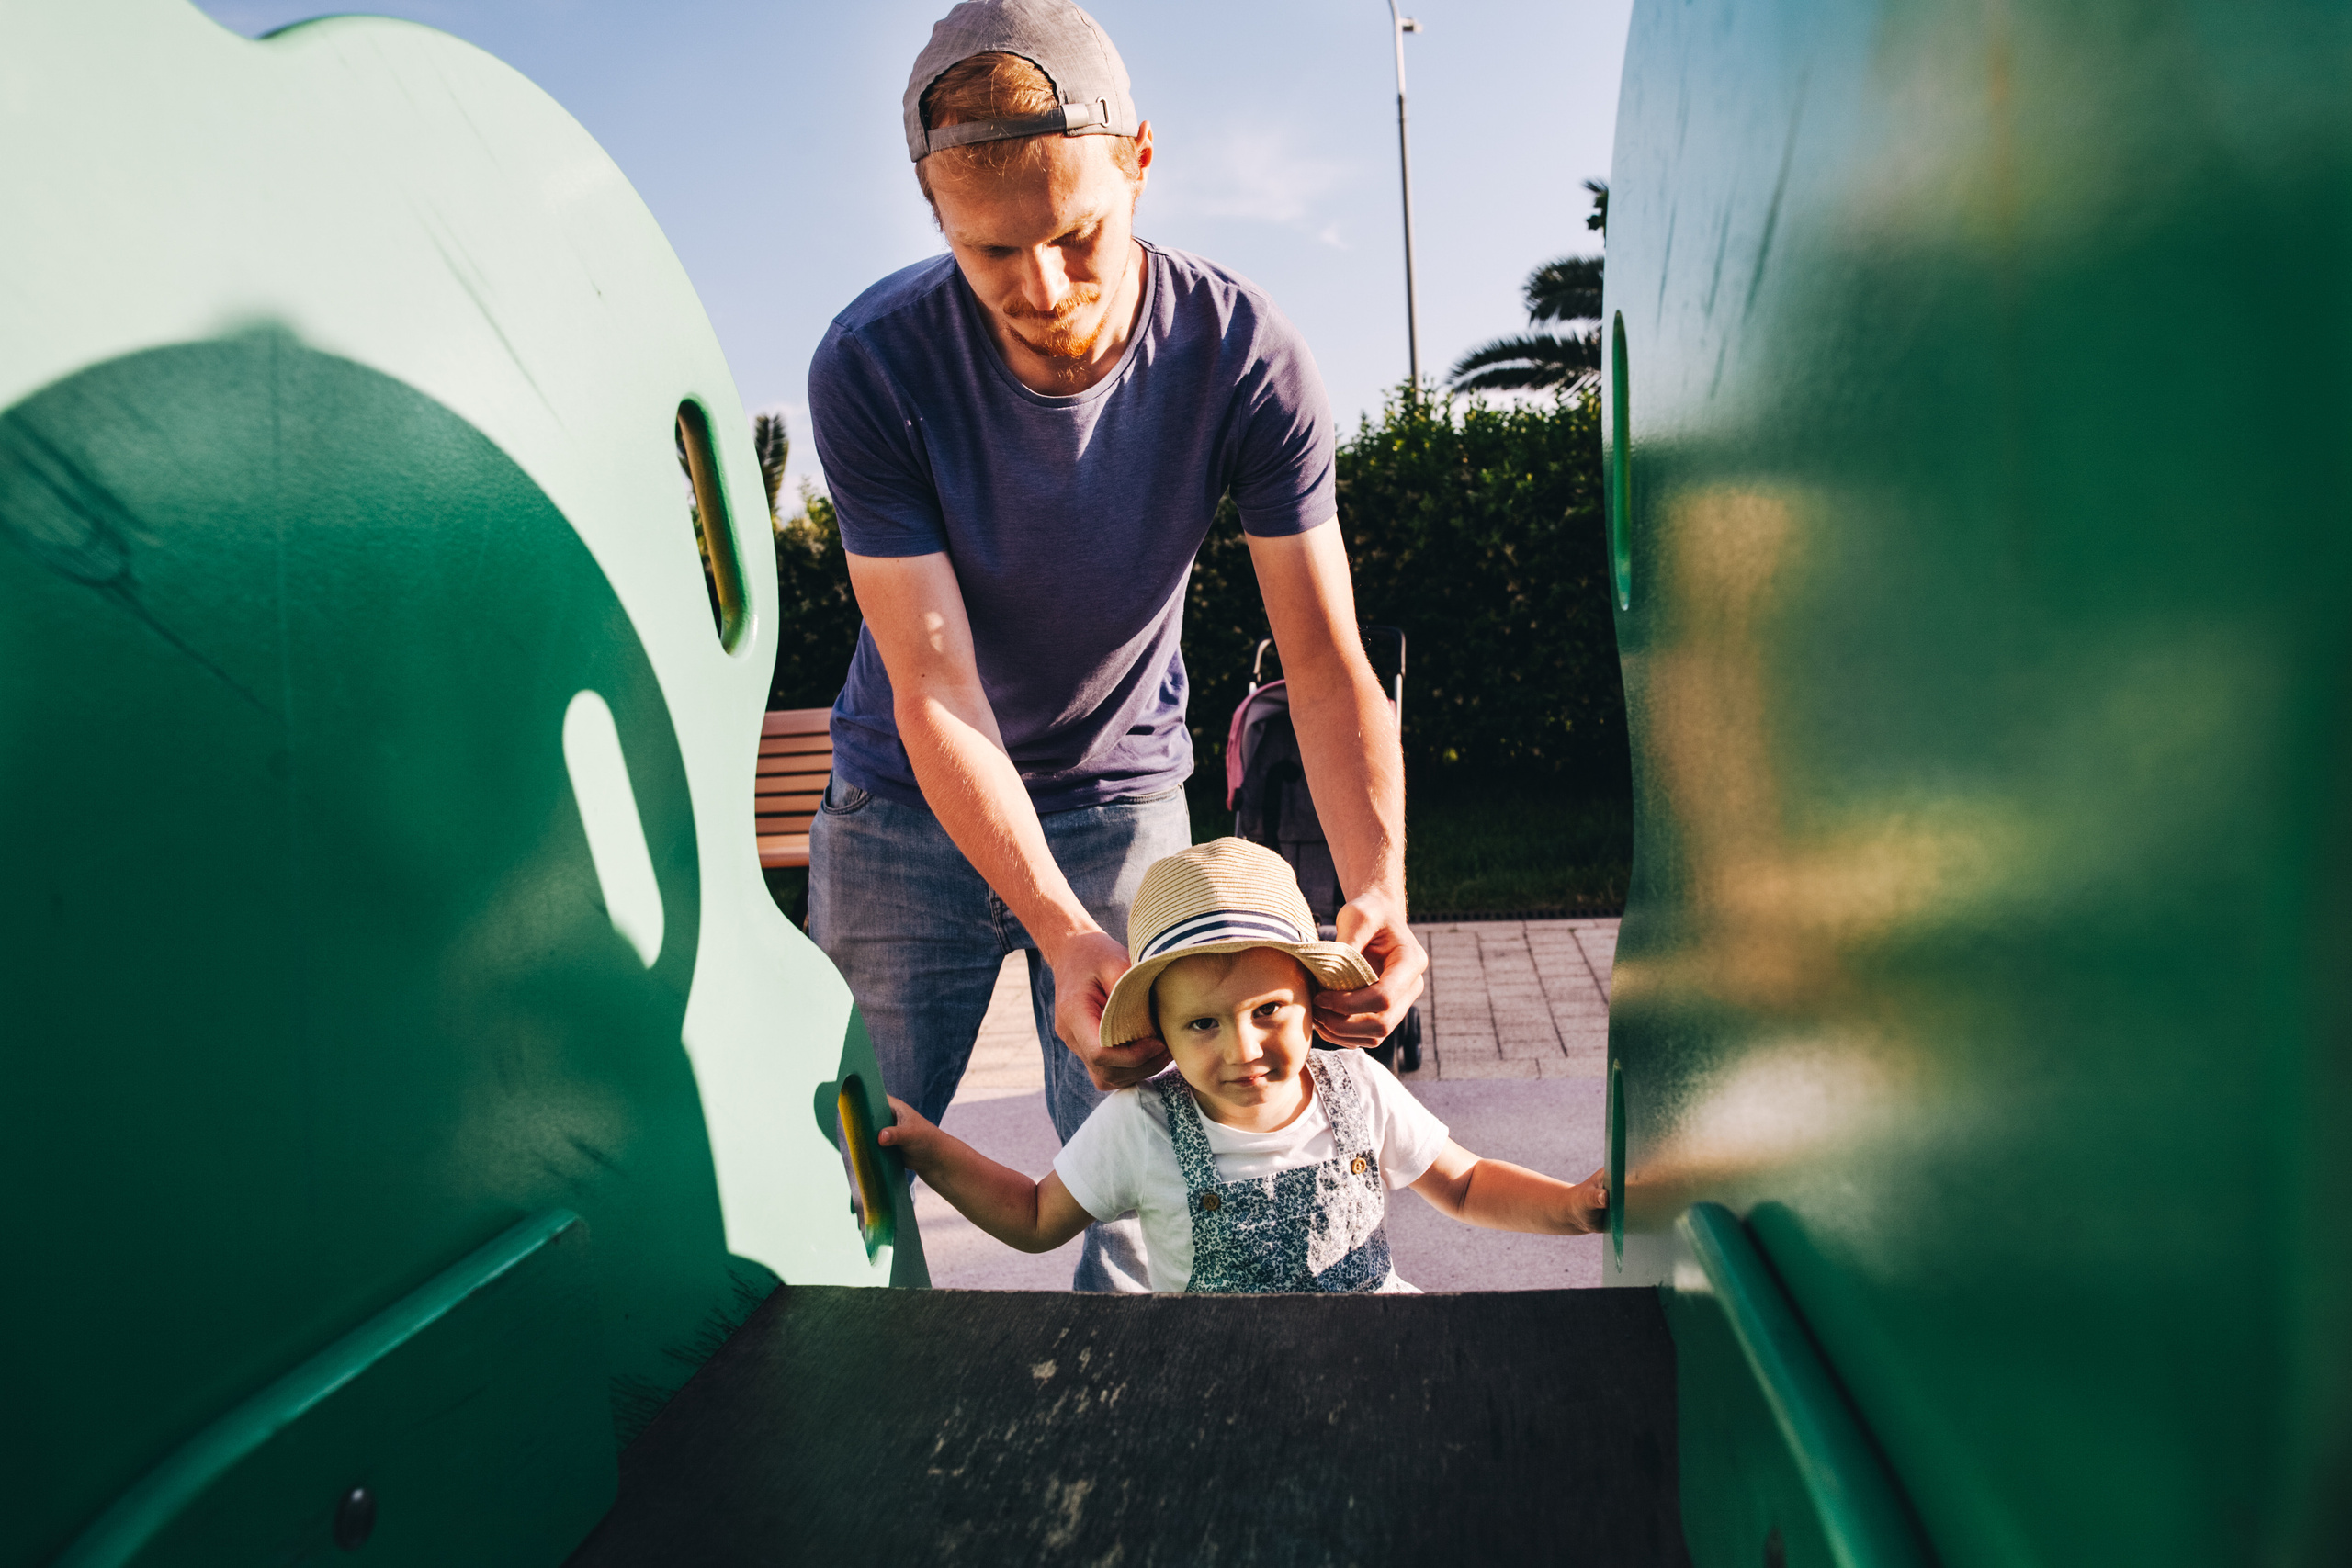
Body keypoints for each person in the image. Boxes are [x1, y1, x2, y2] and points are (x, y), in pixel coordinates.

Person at [807, 0, 1428, 1292]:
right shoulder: (872, 365)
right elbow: (935, 688)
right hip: (899, 806)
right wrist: (1055, 927)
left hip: (1123, 803)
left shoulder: (1242, 351)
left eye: (1077, 234)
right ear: (932, 211)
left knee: (1156, 1213)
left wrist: (1378, 883)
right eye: (992, 253)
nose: (1042, 290)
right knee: (847, 1164)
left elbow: (1320, 656)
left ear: (1139, 161)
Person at [879, 840, 1608, 1292]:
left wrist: (1572, 1205)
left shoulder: (1355, 1085)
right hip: (1219, 1383)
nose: (1244, 1048)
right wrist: (929, 1148)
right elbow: (1036, 1216)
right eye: (1203, 1023)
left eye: (1268, 1010)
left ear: (1313, 997)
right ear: (1158, 1031)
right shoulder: (1141, 1125)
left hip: (1377, 1360)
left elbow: (1467, 1181)